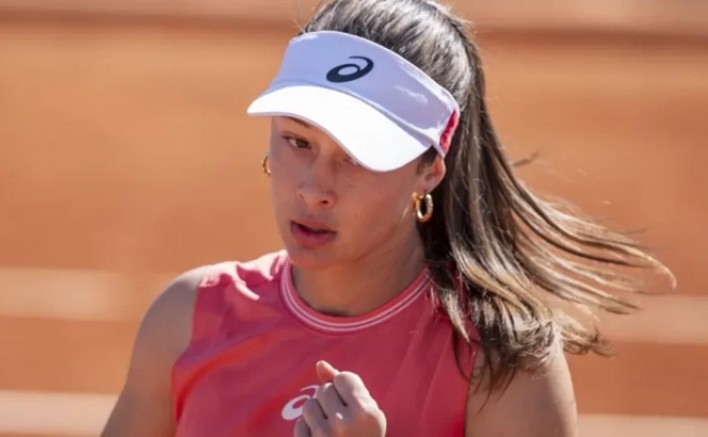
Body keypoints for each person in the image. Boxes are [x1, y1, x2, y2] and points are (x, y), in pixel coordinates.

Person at [102, 0, 673, 436]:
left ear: (429, 168)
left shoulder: (503, 361)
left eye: (357, 157)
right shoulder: (185, 319)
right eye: (298, 141)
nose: (314, 189)